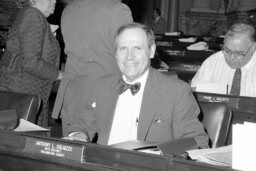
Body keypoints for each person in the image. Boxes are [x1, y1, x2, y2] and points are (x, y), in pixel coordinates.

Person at [64, 23, 209, 149]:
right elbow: (82, 124)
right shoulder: (102, 85)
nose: (129, 57)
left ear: (151, 51)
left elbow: (197, 141)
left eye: (137, 48)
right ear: (115, 54)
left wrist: (165, 153)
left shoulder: (176, 92)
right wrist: (78, 135)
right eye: (123, 49)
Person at [52, 0, 133, 135]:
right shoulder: (118, 10)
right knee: (107, 155)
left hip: (73, 94)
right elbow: (130, 55)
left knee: (73, 151)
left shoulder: (70, 9)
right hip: (106, 96)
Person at [0, 0, 62, 127]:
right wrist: (60, 75)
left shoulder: (32, 15)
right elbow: (30, 63)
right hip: (20, 99)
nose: (54, 1)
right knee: (17, 144)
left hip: (25, 97)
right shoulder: (32, 15)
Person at [191, 23, 256, 97]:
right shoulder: (212, 63)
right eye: (227, 51)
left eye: (239, 53)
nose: (231, 57)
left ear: (253, 48)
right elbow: (194, 95)